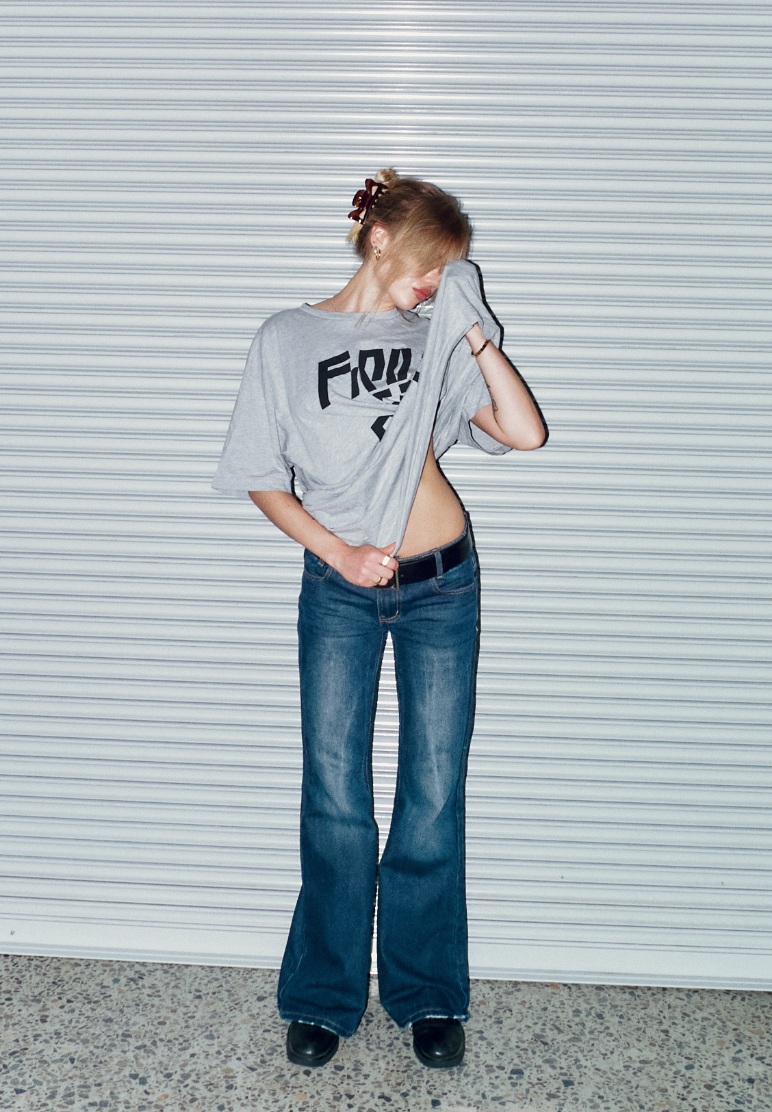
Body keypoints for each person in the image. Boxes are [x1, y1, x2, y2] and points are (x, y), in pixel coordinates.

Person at [213, 169, 546, 1069]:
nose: (436, 284)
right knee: (335, 795)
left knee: (433, 792)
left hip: (444, 584)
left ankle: (427, 993)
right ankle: (323, 996)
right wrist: (336, 551)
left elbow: (524, 432)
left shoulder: (436, 336)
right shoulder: (287, 338)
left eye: (450, 272)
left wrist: (472, 327)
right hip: (341, 591)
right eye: (432, 266)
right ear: (380, 240)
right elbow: (259, 474)